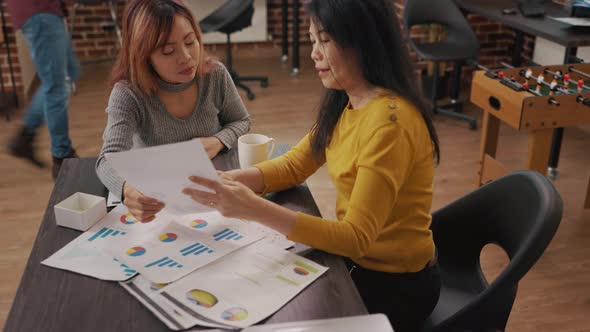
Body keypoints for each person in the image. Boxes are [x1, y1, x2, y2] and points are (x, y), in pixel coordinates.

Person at [181, 0, 441, 331]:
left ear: (363, 40)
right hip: (360, 264)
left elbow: (356, 239)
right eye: (312, 40)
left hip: (397, 285)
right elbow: (295, 165)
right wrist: (232, 180)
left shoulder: (390, 123)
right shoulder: (348, 99)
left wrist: (253, 208)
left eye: (325, 40)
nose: (314, 53)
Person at [96, 0, 251, 223]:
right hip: (160, 201)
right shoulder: (128, 93)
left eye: (190, 41)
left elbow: (241, 120)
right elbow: (107, 160)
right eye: (168, 51)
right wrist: (126, 191)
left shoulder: (214, 75)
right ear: (144, 56)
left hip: (211, 189)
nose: (186, 57)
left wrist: (217, 141)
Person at [6, 0, 81, 179]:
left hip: (48, 11)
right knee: (56, 86)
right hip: (38, 11)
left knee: (71, 71)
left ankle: (25, 136)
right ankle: (61, 156)